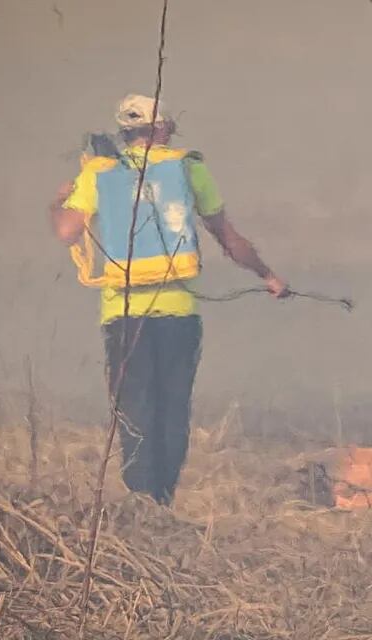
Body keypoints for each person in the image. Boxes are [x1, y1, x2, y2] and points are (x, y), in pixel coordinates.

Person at [49, 94, 287, 505]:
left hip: (123, 315)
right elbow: (229, 239)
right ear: (163, 129)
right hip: (178, 315)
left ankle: (140, 505)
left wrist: (58, 201)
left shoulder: (99, 173)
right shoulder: (188, 168)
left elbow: (68, 232)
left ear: (125, 133)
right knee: (172, 410)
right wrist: (268, 276)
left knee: (135, 411)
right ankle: (163, 500)